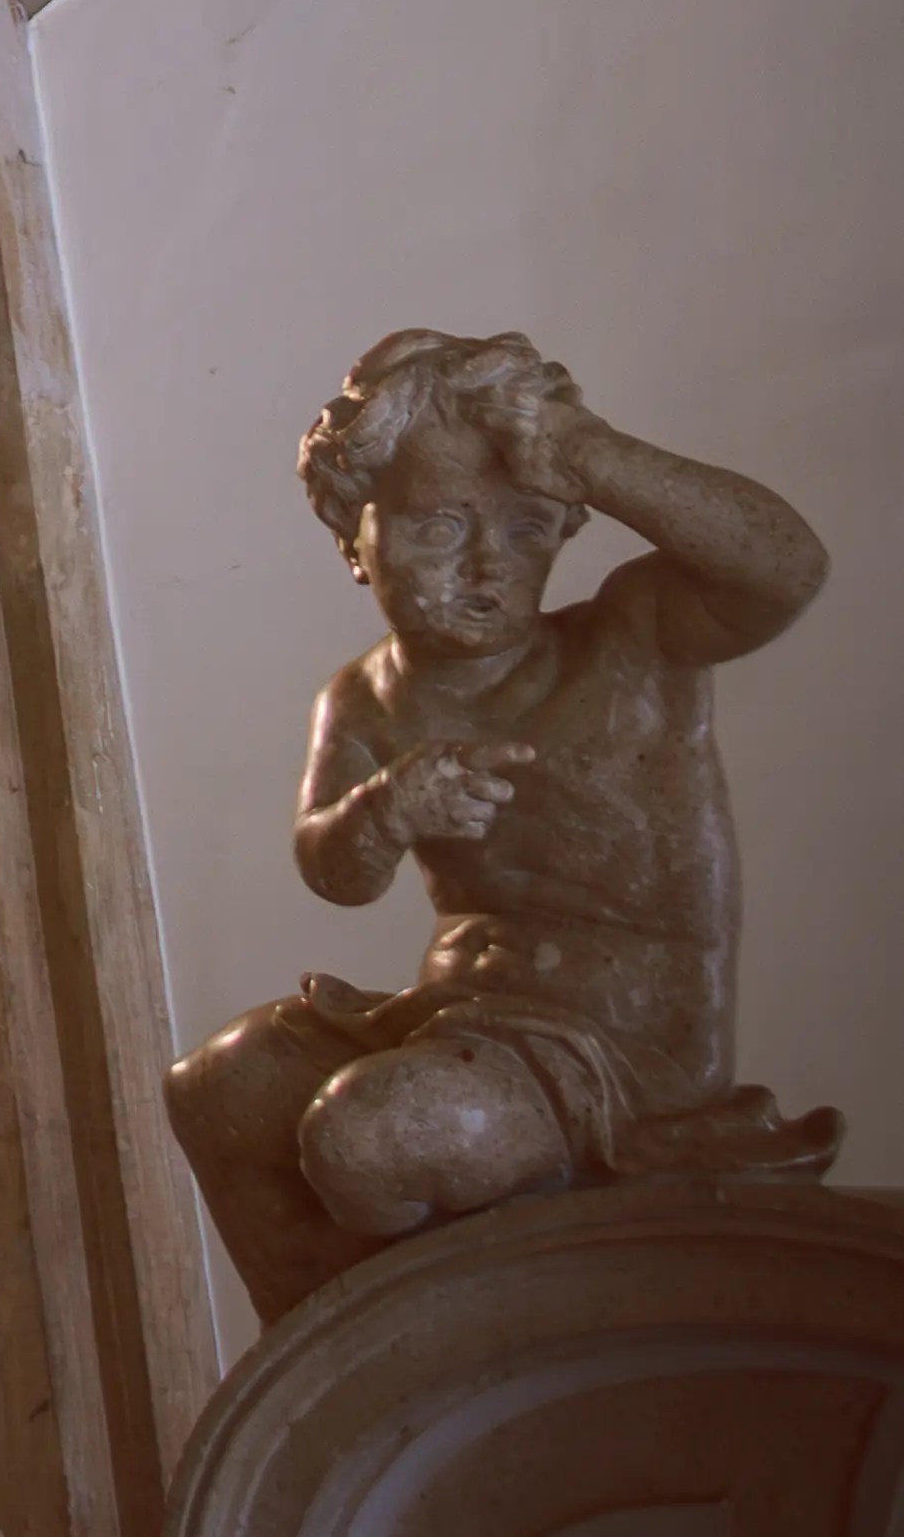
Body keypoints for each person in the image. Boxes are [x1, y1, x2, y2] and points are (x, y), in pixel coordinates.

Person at [165, 329, 834, 1322]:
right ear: (355, 534)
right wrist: (383, 808)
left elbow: (785, 566)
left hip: (618, 1054)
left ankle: (445, 1335)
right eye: (438, 525)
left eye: (524, 526)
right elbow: (334, 869)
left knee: (364, 1137)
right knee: (222, 1081)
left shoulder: (630, 639)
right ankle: (319, 1351)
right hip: (454, 1020)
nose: (486, 563)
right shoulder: (362, 699)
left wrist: (590, 453)